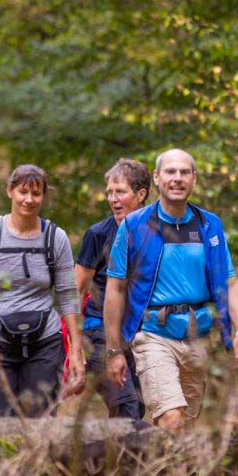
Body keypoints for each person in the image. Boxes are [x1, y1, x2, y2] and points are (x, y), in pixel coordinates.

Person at [103, 148, 238, 435]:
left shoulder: (209, 224)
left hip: (196, 338)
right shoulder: (135, 226)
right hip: (153, 335)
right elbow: (115, 287)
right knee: (171, 417)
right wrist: (114, 350)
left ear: (194, 180)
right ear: (157, 178)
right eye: (170, 172)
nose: (177, 178)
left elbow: (230, 282)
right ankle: (164, 475)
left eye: (185, 172)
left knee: (183, 428)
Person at [0, 164, 86, 415]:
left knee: (41, 422)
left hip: (45, 343)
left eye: (36, 194)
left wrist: (75, 348)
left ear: (43, 196)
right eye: (22, 192)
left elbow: (68, 295)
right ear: (10, 191)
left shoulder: (55, 237)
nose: (29, 200)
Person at [75, 159, 149, 420]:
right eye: (110, 192)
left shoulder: (157, 233)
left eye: (121, 192)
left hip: (143, 335)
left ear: (141, 195)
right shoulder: (97, 234)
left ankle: (112, 461)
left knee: (138, 410)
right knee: (126, 408)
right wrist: (73, 349)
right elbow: (76, 290)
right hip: (99, 335)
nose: (113, 199)